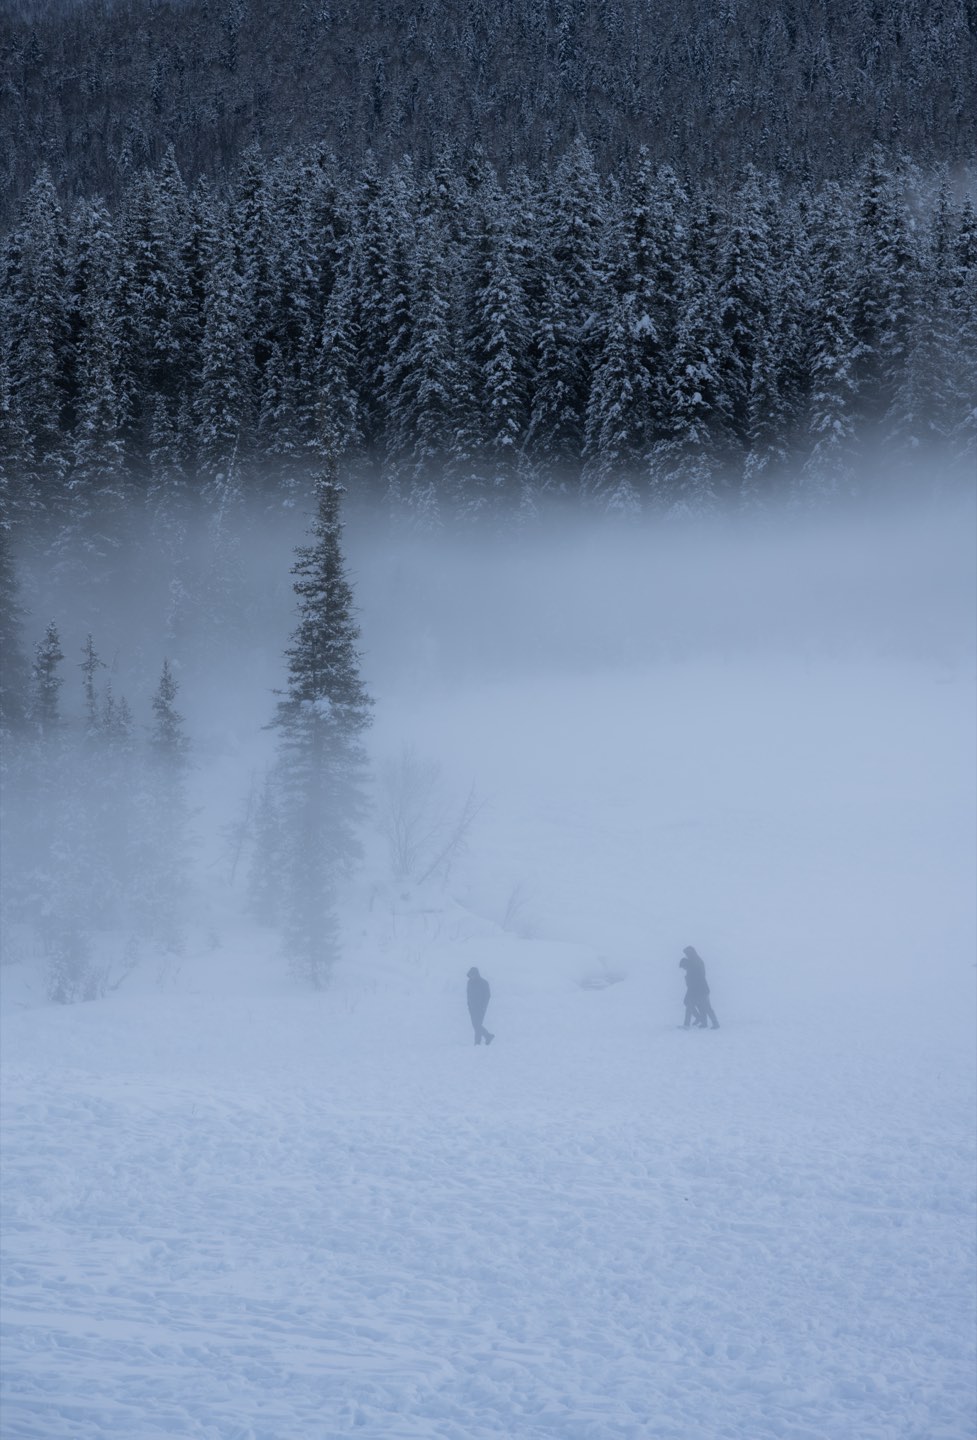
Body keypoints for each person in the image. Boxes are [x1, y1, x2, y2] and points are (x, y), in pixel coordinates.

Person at [679, 946, 719, 1029]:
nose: (686, 955)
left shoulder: (695, 962)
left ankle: (714, 1023)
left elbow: (698, 977)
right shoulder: (692, 962)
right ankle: (701, 1022)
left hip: (701, 989)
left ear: (691, 953)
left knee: (705, 1007)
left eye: (687, 953)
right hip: (697, 989)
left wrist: (691, 985)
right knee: (693, 1005)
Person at [466, 966, 494, 1045]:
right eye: (470, 975)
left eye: (473, 975)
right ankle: (488, 1036)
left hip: (481, 1008)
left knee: (477, 1025)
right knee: (476, 1025)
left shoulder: (484, 983)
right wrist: (468, 1004)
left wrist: (483, 1006)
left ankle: (477, 1043)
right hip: (472, 1008)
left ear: (476, 974)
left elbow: (488, 996)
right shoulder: (469, 983)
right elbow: (468, 994)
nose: (471, 976)